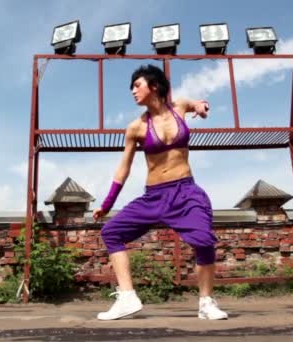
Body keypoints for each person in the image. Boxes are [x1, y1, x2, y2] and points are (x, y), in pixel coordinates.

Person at [93, 64, 228, 321]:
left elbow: (197, 104)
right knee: (111, 232)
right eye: (132, 87)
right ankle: (127, 297)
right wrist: (108, 203)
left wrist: (201, 106)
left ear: (154, 86)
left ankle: (206, 303)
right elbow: (124, 168)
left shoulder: (179, 107)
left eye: (137, 85)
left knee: (204, 240)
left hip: (186, 191)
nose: (133, 91)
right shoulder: (135, 128)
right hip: (154, 196)